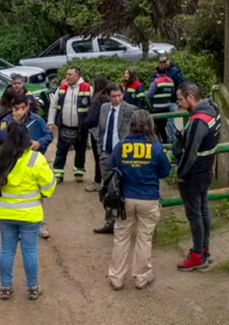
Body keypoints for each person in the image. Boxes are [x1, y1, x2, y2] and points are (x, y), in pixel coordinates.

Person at [0, 121, 57, 301]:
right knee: (29, 251)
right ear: (26, 137)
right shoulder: (35, 158)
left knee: (6, 250)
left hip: (5, 213)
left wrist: (1, 190)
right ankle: (32, 288)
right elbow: (49, 188)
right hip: (30, 215)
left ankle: (5, 288)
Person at [107, 110, 170, 290]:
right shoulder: (157, 147)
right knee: (144, 238)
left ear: (131, 124)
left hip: (125, 199)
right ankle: (142, 277)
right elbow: (165, 172)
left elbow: (111, 166)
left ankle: (116, 277)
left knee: (121, 237)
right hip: (149, 198)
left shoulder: (122, 145)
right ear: (150, 125)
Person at [173, 81, 221, 272]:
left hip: (193, 175)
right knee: (204, 210)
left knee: (195, 216)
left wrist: (180, 173)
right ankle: (205, 249)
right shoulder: (213, 110)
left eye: (180, 100)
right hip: (207, 169)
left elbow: (190, 153)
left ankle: (197, 255)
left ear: (190, 97)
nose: (178, 104)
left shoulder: (197, 121)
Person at [0, 94, 55, 238]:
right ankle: (16, 226)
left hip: (33, 163)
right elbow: (2, 137)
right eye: (16, 108)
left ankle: (40, 225)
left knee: (36, 195)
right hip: (13, 163)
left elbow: (49, 135)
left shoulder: (36, 119)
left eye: (23, 108)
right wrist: (15, 121)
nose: (20, 111)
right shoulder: (6, 121)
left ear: (28, 106)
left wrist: (39, 143)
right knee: (14, 194)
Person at [93, 83, 138, 234]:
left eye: (119, 95)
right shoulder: (104, 108)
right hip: (106, 154)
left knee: (123, 188)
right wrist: (100, 149)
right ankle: (110, 221)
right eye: (114, 96)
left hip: (123, 155)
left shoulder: (131, 110)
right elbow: (100, 129)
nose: (117, 99)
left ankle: (125, 221)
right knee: (107, 189)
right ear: (108, 96)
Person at [47, 66, 91, 183]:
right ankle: (58, 174)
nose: (67, 76)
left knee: (80, 152)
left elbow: (93, 107)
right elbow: (53, 104)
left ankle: (79, 173)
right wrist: (51, 121)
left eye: (70, 75)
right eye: (66, 74)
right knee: (60, 151)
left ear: (77, 76)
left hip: (81, 128)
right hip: (64, 126)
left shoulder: (87, 88)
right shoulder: (61, 88)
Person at [83, 76, 109, 192]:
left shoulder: (96, 99)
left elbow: (92, 119)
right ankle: (108, 182)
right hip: (108, 131)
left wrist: (84, 123)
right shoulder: (108, 98)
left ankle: (98, 182)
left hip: (96, 133)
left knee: (98, 157)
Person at [156, 56, 185, 141]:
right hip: (164, 101)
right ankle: (170, 139)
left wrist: (176, 96)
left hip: (172, 100)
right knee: (166, 122)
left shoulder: (175, 72)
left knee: (171, 120)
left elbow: (181, 84)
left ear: (168, 61)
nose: (162, 64)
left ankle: (173, 140)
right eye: (160, 62)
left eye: (164, 62)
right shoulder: (161, 72)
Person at [146, 65, 175, 143]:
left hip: (156, 108)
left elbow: (149, 95)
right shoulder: (171, 81)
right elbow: (172, 93)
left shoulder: (156, 82)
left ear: (156, 72)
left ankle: (157, 144)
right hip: (166, 108)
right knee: (162, 128)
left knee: (156, 129)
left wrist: (143, 93)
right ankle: (166, 142)